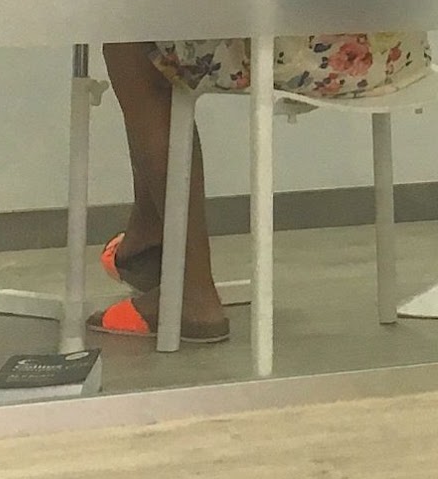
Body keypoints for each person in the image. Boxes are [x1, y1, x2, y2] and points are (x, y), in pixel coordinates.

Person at [90, 33, 430, 344]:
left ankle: (191, 294)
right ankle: (147, 241)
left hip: (305, 58)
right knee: (149, 31)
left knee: (131, 45)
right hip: (398, 55)